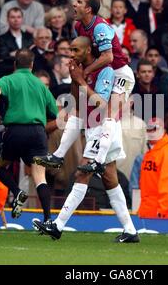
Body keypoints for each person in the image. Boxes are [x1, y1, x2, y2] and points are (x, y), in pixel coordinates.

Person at [33, 36, 139, 243]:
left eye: (75, 50)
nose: (71, 54)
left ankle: (58, 225)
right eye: (70, 50)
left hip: (104, 129)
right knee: (110, 179)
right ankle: (130, 230)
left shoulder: (105, 71)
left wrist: (81, 80)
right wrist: (75, 78)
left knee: (82, 173)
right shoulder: (82, 69)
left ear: (88, 50)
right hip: (93, 127)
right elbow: (78, 102)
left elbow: (100, 103)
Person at [35, 0, 135, 175]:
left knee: (109, 114)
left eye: (79, 2)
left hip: (120, 73)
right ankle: (58, 155)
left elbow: (108, 57)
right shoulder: (79, 26)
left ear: (88, 9)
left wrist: (84, 74)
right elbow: (85, 52)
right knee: (78, 109)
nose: (74, 3)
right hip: (101, 71)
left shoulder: (99, 28)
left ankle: (98, 161)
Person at [0, 49, 58, 220]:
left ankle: (17, 191)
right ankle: (48, 219)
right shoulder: (40, 84)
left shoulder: (8, 80)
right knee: (40, 176)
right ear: (32, 65)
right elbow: (55, 112)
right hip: (37, 132)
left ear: (15, 64)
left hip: (15, 131)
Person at [138, 117, 168, 219]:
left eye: (155, 129)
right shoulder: (151, 153)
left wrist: (161, 211)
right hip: (150, 210)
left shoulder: (167, 153)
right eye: (149, 129)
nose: (151, 132)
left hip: (164, 215)